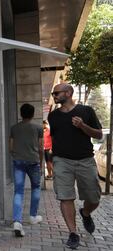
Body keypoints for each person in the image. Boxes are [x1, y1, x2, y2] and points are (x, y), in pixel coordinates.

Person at [48, 83, 102, 250]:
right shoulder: (53, 116)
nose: (54, 96)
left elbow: (99, 134)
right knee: (65, 196)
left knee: (94, 198)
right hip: (62, 161)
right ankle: (73, 233)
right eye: (53, 93)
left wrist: (82, 126)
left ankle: (85, 213)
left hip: (85, 160)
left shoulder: (86, 111)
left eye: (56, 93)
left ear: (68, 93)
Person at [9, 103, 43, 237]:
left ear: (20, 114)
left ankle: (17, 222)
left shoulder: (14, 128)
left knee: (18, 191)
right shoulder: (38, 128)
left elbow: (10, 147)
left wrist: (16, 156)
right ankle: (33, 216)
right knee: (36, 187)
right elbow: (41, 147)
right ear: (33, 114)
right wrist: (40, 162)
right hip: (34, 161)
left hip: (18, 161)